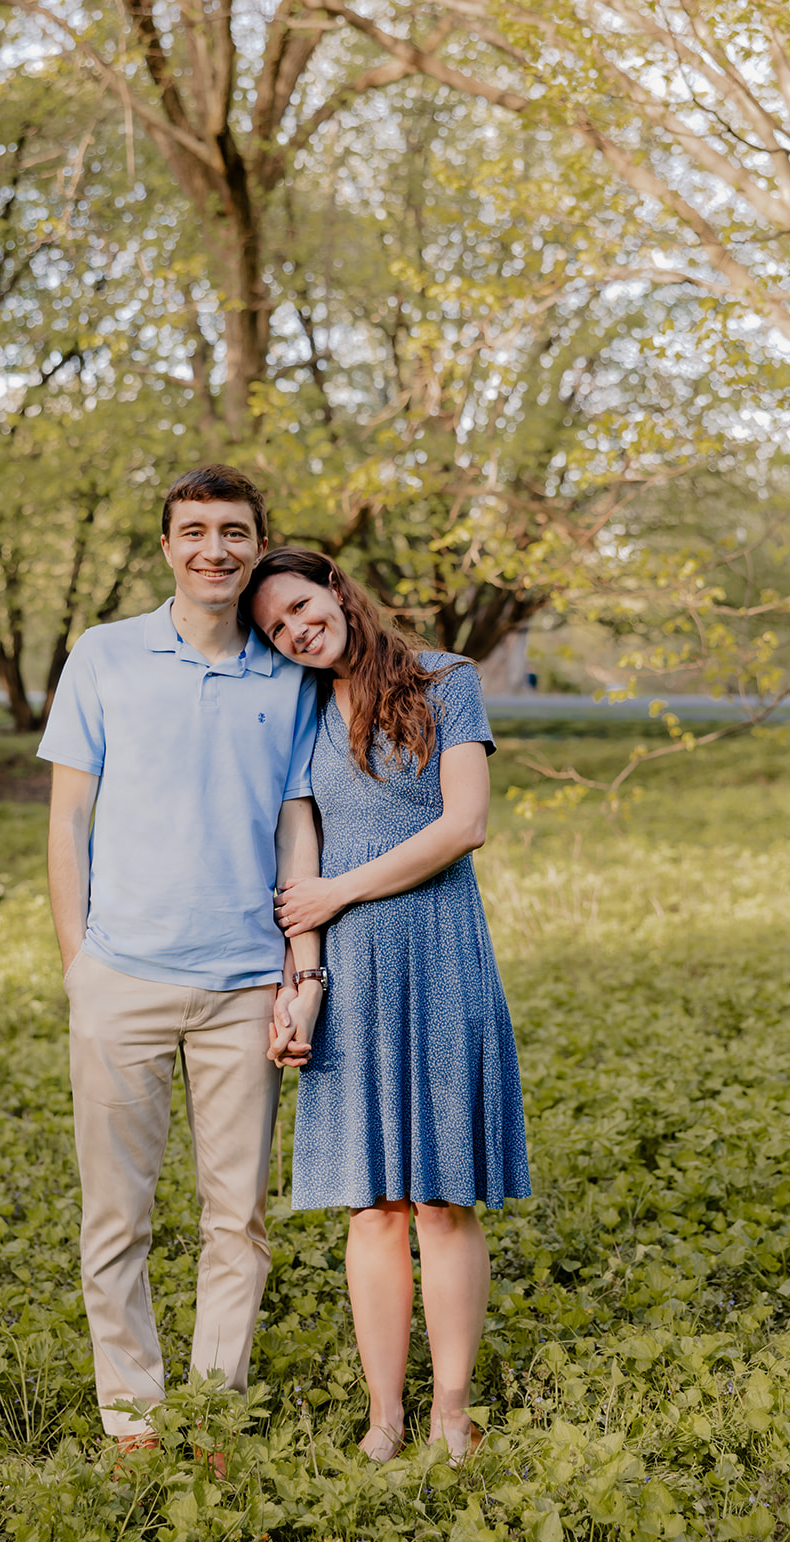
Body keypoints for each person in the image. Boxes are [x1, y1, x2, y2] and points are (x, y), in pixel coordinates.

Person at [37, 467, 323, 1450]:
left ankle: (210, 1417)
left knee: (235, 1222)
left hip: (245, 986)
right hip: (122, 980)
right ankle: (133, 1422)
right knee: (116, 1220)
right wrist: (79, 962)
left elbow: (296, 823)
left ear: (255, 546)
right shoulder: (104, 656)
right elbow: (66, 817)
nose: (214, 547)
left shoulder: (287, 673)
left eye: (233, 531)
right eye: (194, 530)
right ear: (167, 547)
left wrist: (299, 968)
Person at [246, 549, 530, 1464]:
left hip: (441, 953)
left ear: (334, 586)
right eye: (274, 628)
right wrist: (304, 984)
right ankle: (384, 1415)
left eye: (298, 605)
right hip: (351, 973)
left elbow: (463, 824)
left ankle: (450, 1409)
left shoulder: (446, 679)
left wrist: (339, 893)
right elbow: (301, 861)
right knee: (371, 1206)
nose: (295, 630)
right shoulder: (299, 714)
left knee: (441, 1200)